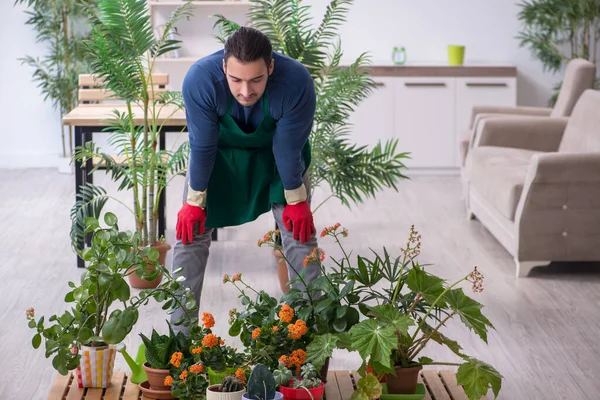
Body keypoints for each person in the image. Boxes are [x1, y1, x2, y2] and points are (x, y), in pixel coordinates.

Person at [170, 27, 320, 333]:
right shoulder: (201, 79)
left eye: (256, 80)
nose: (245, 92)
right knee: (189, 236)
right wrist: (194, 201)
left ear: (271, 68)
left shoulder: (296, 82)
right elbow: (202, 145)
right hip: (219, 154)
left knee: (299, 235)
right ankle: (178, 343)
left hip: (279, 157)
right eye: (235, 80)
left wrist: (297, 200)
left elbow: (287, 148)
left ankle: (312, 341)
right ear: (224, 66)